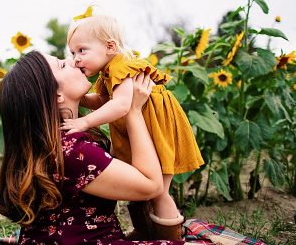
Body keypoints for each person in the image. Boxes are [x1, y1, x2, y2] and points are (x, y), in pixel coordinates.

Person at [0, 51, 184, 244]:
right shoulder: (74, 152)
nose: (73, 60)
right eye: (62, 65)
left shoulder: (56, 144)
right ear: (56, 95)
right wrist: (133, 111)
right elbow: (151, 186)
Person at [61, 14, 204, 240]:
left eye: (82, 50)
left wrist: (85, 121)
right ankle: (144, 230)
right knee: (137, 186)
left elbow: (120, 105)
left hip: (156, 128)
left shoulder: (121, 66)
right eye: (73, 53)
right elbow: (103, 99)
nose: (76, 59)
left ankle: (172, 237)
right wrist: (79, 97)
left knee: (159, 192)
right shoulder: (109, 70)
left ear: (110, 46)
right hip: (142, 129)